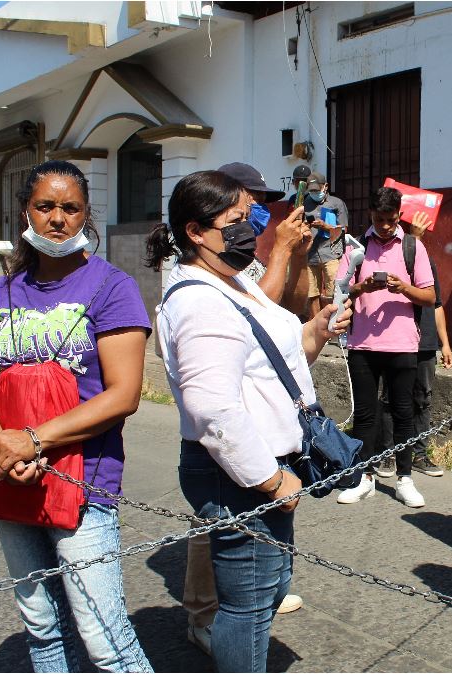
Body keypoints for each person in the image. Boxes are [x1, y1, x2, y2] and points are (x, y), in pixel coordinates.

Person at [146, 170, 350, 672]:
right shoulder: (199, 300)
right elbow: (212, 408)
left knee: (269, 586)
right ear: (196, 231)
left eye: (249, 218)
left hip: (258, 465)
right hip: (240, 473)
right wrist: (270, 479)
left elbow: (271, 358)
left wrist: (317, 328)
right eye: (235, 220)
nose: (249, 229)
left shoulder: (233, 283)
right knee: (248, 607)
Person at [0, 160, 152, 672]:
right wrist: (4, 446)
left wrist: (32, 441)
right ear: (26, 211)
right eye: (45, 206)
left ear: (86, 215)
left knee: (105, 640)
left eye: (70, 208)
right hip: (9, 477)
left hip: (83, 482)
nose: (56, 218)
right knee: (43, 629)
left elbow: (123, 394)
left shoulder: (111, 286)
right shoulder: (1, 291)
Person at [332, 187, 436, 508]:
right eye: (379, 219)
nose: (386, 226)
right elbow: (338, 293)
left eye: (391, 220)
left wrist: (402, 287)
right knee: (365, 416)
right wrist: (363, 286)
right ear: (370, 215)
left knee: (403, 413)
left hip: (403, 344)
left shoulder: (412, 247)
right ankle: (365, 478)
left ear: (399, 215)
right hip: (362, 345)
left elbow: (429, 297)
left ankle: (404, 478)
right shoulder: (356, 248)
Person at [374, 211, 452, 479]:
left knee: (423, 398)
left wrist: (445, 344)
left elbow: (438, 304)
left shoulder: (427, 261)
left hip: (426, 342)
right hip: (397, 339)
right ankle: (387, 454)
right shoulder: (389, 258)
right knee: (390, 399)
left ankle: (419, 454)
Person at [218, 162, 311, 311]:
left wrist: (298, 256)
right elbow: (257, 310)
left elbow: (292, 306)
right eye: (256, 200)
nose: (262, 209)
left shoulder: (248, 255)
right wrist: (282, 248)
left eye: (264, 202)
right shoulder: (216, 255)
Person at [303, 172, 350, 317]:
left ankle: (333, 324)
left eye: (317, 190)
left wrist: (326, 226)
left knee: (333, 291)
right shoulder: (305, 203)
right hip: (309, 254)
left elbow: (344, 229)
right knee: (312, 292)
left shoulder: (337, 203)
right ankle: (317, 323)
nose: (314, 193)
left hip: (331, 253)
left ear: (326, 187)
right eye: (311, 190)